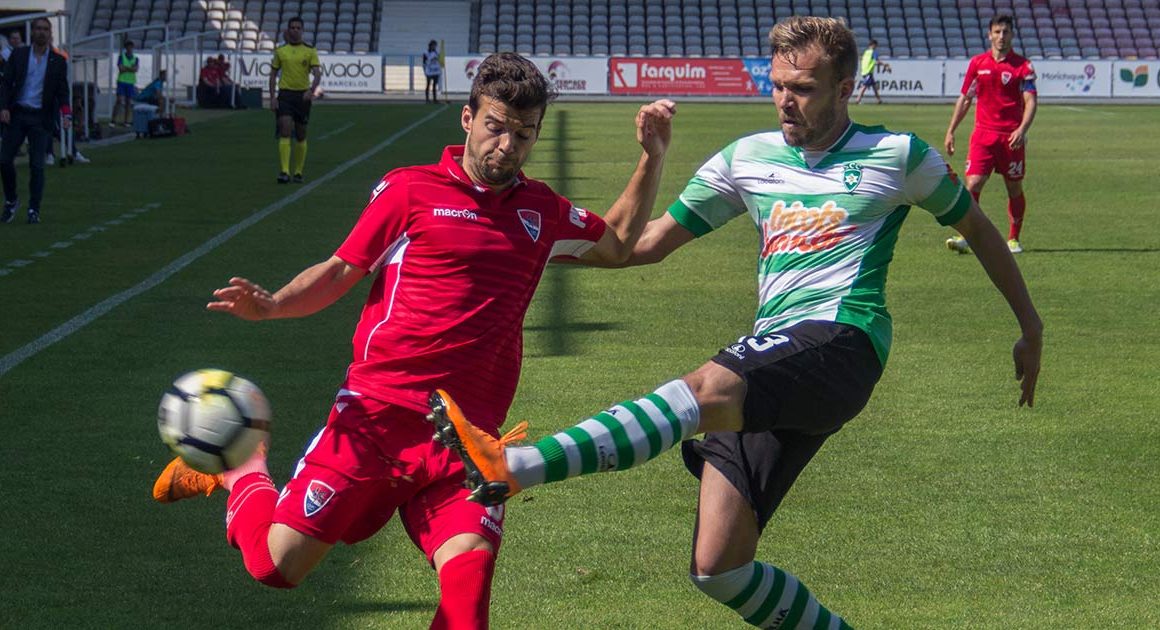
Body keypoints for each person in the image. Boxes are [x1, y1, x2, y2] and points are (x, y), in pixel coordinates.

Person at [429, 17, 1042, 629]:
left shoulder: (898, 156)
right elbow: (642, 245)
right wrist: (646, 161)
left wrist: (1029, 326)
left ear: (845, 88)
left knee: (706, 389)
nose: (784, 99)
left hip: (843, 340)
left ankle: (516, 466)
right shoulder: (746, 159)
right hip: (775, 351)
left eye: (801, 87)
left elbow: (978, 230)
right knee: (719, 566)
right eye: (777, 84)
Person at [151, 52, 676, 629]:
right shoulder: (410, 192)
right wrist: (274, 304)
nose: (507, 145)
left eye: (523, 134)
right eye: (496, 127)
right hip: (376, 419)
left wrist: (652, 157)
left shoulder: (542, 211)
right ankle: (242, 470)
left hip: (466, 443)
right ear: (468, 118)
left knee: (466, 602)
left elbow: (620, 245)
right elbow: (340, 271)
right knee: (277, 568)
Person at [944, 14, 1037, 255]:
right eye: (997, 32)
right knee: (973, 183)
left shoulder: (1023, 66)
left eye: (1005, 32)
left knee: (1013, 187)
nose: (1001, 36)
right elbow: (965, 99)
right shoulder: (978, 64)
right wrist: (951, 130)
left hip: (1011, 138)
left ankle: (1014, 239)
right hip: (983, 136)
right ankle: (966, 236)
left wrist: (1022, 129)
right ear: (989, 35)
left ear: (1012, 35)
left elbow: (1031, 101)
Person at [0, 18, 71, 225]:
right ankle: (12, 200)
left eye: (45, 29)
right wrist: (3, 107)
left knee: (37, 165)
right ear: (32, 33)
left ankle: (34, 208)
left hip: (41, 117)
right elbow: (5, 83)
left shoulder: (58, 62)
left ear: (50, 34)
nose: (41, 33)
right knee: (4, 160)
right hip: (18, 113)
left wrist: (66, 115)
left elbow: (62, 91)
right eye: (38, 29)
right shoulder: (19, 55)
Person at [269, 17, 322, 184]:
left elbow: (317, 74)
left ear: (302, 30)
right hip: (285, 95)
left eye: (298, 27)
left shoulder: (310, 50)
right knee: (285, 129)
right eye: (292, 27)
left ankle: (298, 172)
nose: (295, 30)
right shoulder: (280, 51)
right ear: (288, 30)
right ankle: (284, 171)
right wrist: (272, 97)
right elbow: (272, 75)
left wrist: (311, 90)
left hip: (302, 97)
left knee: (300, 135)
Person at [111, 39, 139, 127]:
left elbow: (135, 69)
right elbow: (121, 68)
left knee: (128, 102)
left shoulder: (136, 58)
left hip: (130, 82)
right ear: (126, 48)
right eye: (128, 47)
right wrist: (130, 68)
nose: (129, 48)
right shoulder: (121, 57)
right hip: (122, 81)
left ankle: (126, 121)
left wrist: (126, 68)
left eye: (131, 47)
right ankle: (113, 120)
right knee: (119, 101)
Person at [854, 38, 889, 104]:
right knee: (864, 86)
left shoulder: (866, 52)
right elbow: (877, 61)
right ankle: (858, 99)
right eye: (876, 45)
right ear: (873, 45)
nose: (876, 47)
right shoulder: (873, 52)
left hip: (864, 71)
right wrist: (885, 65)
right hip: (868, 72)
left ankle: (879, 100)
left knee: (874, 86)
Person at [423, 39, 442, 104]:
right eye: (433, 45)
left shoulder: (436, 53)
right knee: (428, 85)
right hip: (429, 71)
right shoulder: (426, 53)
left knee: (434, 85)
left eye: (435, 46)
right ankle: (427, 99)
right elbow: (424, 62)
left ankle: (435, 99)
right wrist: (425, 71)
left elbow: (439, 60)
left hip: (435, 71)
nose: (434, 47)